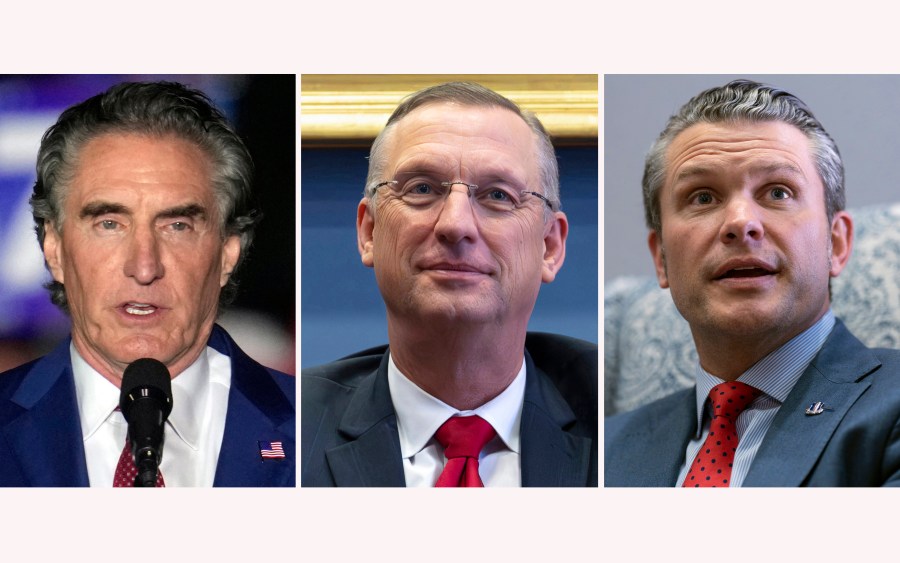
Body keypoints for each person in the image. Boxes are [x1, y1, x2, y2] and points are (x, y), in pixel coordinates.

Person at [605, 79, 900, 487]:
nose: (740, 222)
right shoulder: (606, 449)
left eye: (777, 192)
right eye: (703, 197)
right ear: (662, 258)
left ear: (836, 242)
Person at [301, 82, 597, 487]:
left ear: (549, 245)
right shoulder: (294, 426)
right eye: (422, 189)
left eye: (497, 195)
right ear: (369, 231)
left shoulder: (609, 416)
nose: (455, 225)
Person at [0, 81, 295, 487]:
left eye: (176, 225)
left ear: (228, 252)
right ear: (54, 249)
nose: (144, 267)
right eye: (109, 224)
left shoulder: (315, 433)